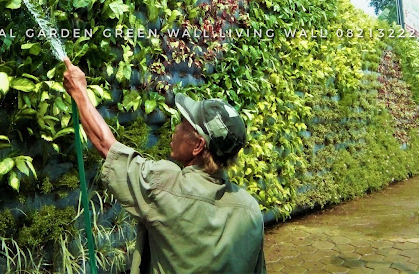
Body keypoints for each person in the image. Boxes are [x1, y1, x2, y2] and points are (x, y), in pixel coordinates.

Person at [62, 57, 266, 274]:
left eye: (183, 123)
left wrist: (79, 92)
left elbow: (107, 146)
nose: (175, 128)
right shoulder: (250, 209)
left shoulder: (165, 185)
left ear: (198, 145)